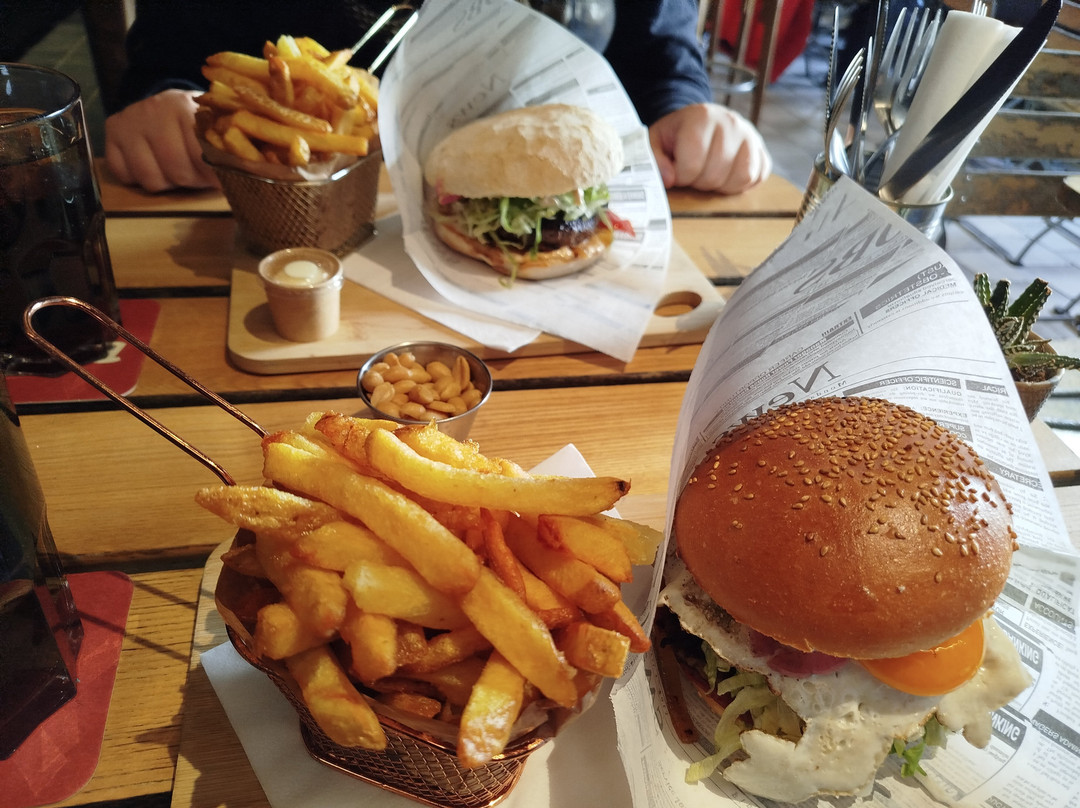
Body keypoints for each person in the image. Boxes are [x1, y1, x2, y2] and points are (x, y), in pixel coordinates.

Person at [104, 0, 771, 196]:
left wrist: (689, 112)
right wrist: (164, 100)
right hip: (297, 222)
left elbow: (659, 56)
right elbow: (170, 57)